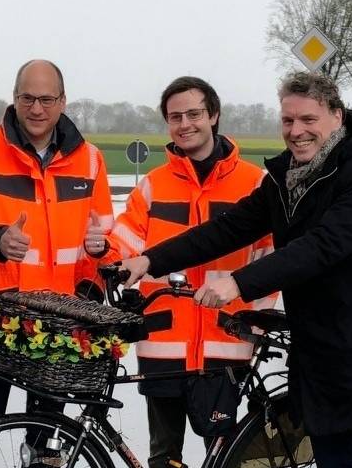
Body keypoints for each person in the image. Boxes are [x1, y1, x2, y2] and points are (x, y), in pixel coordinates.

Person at [118, 71, 352, 468]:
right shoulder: (285, 178)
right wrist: (151, 259)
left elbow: (323, 246)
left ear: (337, 117)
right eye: (288, 121)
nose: (296, 131)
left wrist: (238, 282)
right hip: (318, 351)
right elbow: (228, 229)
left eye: (308, 120)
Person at [0, 59, 115, 457]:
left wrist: (99, 259)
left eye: (46, 99)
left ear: (62, 101)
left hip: (56, 323)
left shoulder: (89, 160)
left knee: (48, 440)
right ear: (14, 97)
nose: (36, 109)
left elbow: (104, 233)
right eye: (27, 98)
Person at [106, 76, 276, 468]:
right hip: (162, 342)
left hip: (227, 345)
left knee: (227, 459)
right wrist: (105, 254)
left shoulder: (254, 183)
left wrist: (252, 321)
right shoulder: (153, 186)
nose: (185, 124)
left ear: (214, 115)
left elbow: (272, 260)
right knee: (164, 458)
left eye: (194, 114)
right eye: (175, 117)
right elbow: (124, 243)